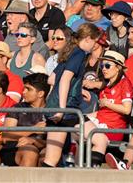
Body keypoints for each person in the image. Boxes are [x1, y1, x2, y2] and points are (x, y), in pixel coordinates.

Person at [42, 23, 99, 167]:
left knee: (51, 160)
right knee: (100, 140)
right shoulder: (79, 53)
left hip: (63, 110)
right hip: (66, 111)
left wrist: (77, 88)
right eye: (94, 41)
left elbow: (52, 79)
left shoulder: (69, 52)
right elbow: (65, 79)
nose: (95, 46)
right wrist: (62, 109)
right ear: (87, 39)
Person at [78, 50, 133, 167]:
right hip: (101, 123)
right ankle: (74, 165)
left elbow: (127, 109)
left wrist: (107, 103)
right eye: (102, 66)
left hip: (112, 128)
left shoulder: (124, 83)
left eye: (107, 66)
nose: (104, 69)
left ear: (118, 67)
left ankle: (91, 168)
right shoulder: (106, 85)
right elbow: (103, 112)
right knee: (73, 127)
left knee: (77, 127)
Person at [1, 72, 50, 167]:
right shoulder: (17, 108)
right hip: (14, 149)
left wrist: (34, 141)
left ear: (40, 93)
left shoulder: (52, 111)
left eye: (28, 89)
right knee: (30, 152)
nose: (23, 92)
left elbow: (59, 142)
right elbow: (6, 136)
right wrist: (33, 129)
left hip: (42, 147)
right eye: (24, 88)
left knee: (47, 156)